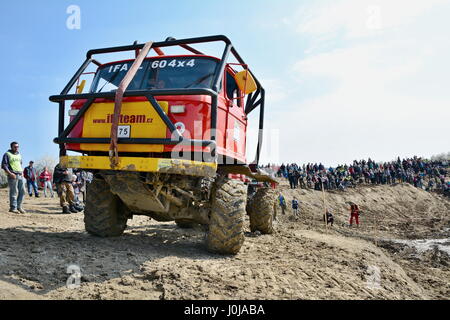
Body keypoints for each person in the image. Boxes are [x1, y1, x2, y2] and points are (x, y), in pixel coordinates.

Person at [1, 142, 26, 213]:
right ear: (11, 147)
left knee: (23, 191)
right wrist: (10, 173)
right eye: (15, 147)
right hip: (13, 175)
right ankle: (13, 208)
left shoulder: (19, 155)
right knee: (14, 192)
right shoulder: (7, 154)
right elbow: (4, 165)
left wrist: (22, 172)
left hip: (20, 175)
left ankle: (19, 206)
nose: (16, 148)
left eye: (17, 147)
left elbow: (20, 164)